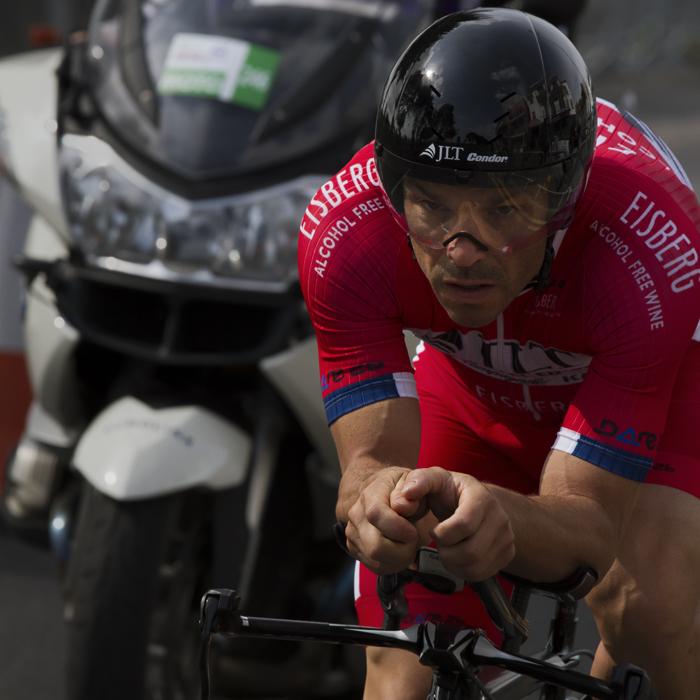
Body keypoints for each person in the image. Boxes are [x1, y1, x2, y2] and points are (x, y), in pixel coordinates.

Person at [298, 9, 700, 700]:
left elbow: (591, 529)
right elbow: (368, 466)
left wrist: (506, 519)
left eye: (505, 209)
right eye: (432, 206)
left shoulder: (644, 249)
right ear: (395, 189)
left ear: (564, 199)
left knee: (645, 614)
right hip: (475, 384)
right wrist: (373, 501)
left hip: (657, 387)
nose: (461, 250)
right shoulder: (348, 235)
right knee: (400, 667)